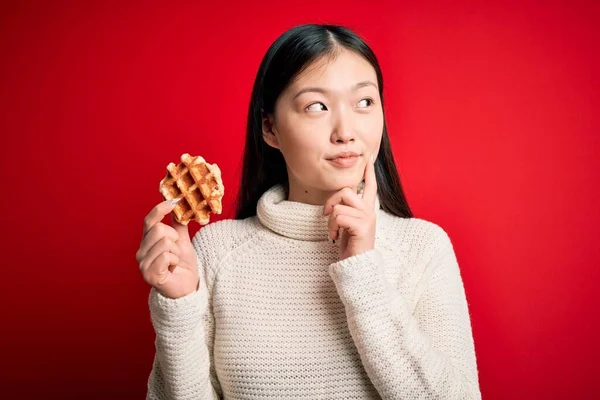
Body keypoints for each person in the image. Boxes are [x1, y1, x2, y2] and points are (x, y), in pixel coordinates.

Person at [137, 23, 481, 400]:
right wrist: (179, 308)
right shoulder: (216, 252)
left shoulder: (422, 248)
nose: (346, 131)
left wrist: (363, 272)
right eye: (317, 106)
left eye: (364, 102)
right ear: (270, 128)